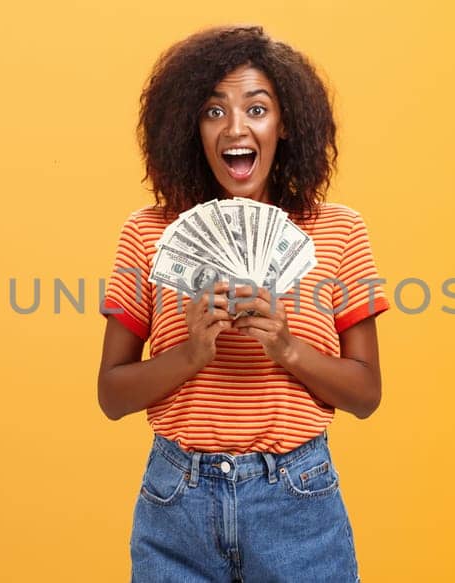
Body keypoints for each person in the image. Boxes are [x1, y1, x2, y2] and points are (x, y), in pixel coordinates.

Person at [98, 25, 389, 582]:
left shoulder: (339, 232)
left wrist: (286, 348)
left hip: (297, 500)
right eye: (213, 111)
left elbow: (367, 394)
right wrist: (190, 353)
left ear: (286, 127)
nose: (235, 127)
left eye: (257, 109)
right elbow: (111, 395)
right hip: (175, 502)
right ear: (189, 128)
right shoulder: (148, 233)